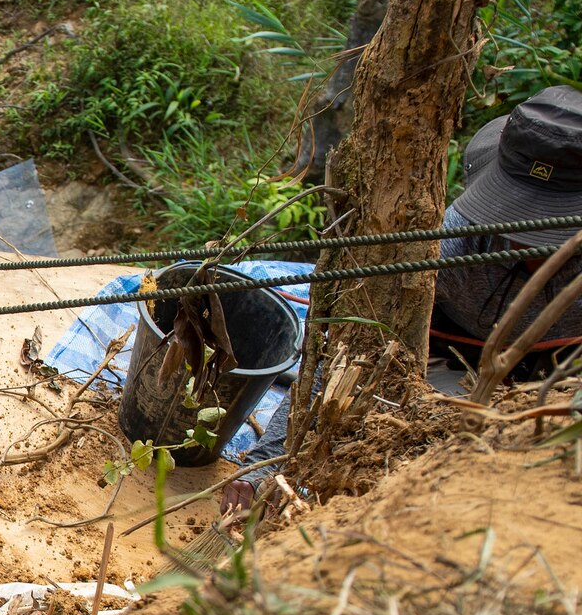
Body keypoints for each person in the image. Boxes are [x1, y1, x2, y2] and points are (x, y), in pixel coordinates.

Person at [222, 83, 582, 511]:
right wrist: (269, 462)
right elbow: (348, 345)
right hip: (444, 365)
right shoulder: (447, 247)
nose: (523, 238)